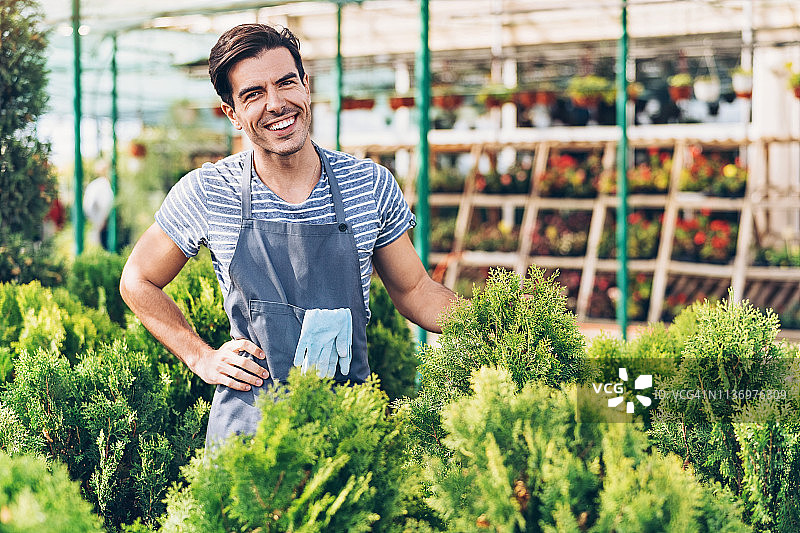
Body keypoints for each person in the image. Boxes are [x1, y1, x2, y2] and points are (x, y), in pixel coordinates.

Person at [119, 23, 456, 447]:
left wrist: (496, 322)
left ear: (306, 86)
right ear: (232, 113)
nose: (276, 103)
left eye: (285, 83)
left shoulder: (368, 184)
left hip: (347, 429)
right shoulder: (209, 191)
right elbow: (136, 279)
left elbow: (416, 291)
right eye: (253, 94)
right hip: (248, 440)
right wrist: (200, 356)